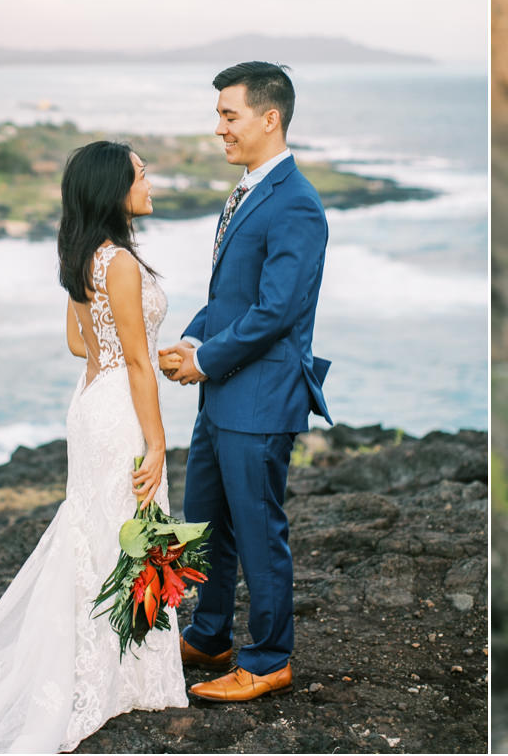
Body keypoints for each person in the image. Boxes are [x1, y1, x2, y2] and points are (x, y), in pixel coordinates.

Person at [0, 140, 187, 752]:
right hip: (121, 410)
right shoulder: (122, 264)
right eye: (140, 173)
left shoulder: (85, 257)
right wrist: (157, 442)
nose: (149, 180)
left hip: (92, 403)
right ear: (113, 190)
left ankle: (114, 666)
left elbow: (82, 346)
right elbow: (132, 359)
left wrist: (131, 352)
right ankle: (123, 675)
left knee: (104, 531)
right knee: (131, 527)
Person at [158, 61, 331, 703]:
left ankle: (267, 660)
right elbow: (231, 297)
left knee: (259, 529)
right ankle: (209, 635)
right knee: (205, 518)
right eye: (219, 116)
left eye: (228, 116)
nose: (219, 129)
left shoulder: (297, 203)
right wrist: (195, 339)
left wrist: (204, 361)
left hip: (260, 397)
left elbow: (277, 310)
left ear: (269, 118)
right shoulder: (249, 192)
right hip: (224, 391)